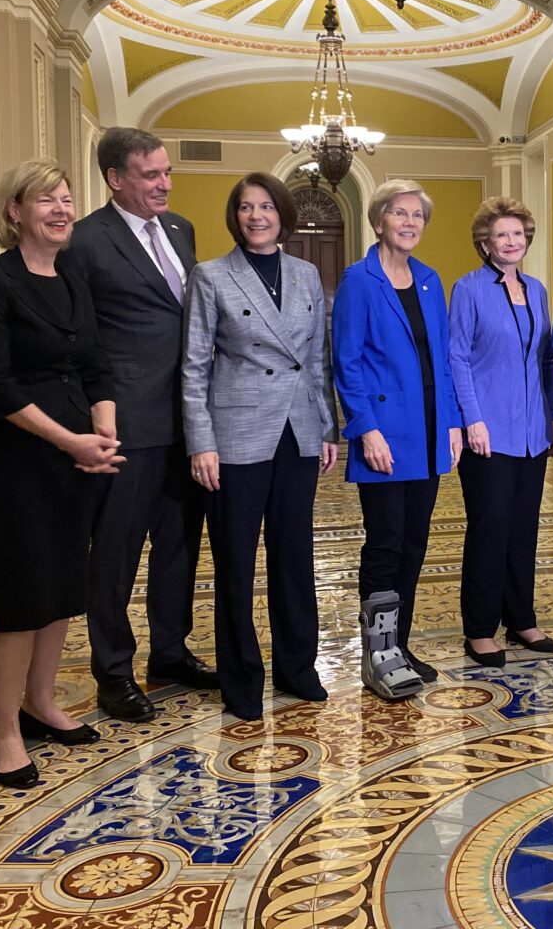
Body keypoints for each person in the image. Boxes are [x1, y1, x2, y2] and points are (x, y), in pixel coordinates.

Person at [0, 162, 123, 788]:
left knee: (62, 590)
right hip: (18, 463)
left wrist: (102, 432)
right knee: (20, 600)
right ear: (14, 212)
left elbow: (96, 367)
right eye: (45, 200)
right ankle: (5, 730)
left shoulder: (73, 277)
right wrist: (71, 440)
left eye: (66, 198)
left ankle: (42, 702)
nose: (61, 208)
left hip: (76, 458)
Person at [64, 127, 213, 725]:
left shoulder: (180, 230)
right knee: (117, 555)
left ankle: (171, 653)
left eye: (167, 172)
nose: (164, 183)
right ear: (115, 179)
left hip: (189, 422)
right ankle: (114, 671)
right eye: (150, 174)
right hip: (125, 424)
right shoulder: (85, 241)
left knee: (179, 547)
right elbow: (80, 338)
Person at [181, 174, 338, 719]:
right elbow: (194, 365)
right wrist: (201, 442)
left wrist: (325, 428)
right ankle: (241, 680)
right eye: (246, 207)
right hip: (235, 436)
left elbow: (317, 359)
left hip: (296, 432)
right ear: (235, 216)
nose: (256, 216)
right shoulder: (211, 276)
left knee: (295, 558)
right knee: (235, 563)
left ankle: (298, 669)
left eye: (266, 206)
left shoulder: (306, 273)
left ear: (282, 214)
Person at [333, 179, 462, 699]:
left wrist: (452, 422)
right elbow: (347, 363)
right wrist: (366, 430)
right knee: (384, 545)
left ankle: (400, 646)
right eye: (400, 214)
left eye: (418, 216)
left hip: (428, 432)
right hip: (385, 436)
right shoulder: (358, 281)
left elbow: (444, 362)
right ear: (379, 220)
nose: (410, 223)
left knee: (414, 544)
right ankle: (378, 655)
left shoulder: (429, 279)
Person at [449, 197, 553, 667]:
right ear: (485, 242)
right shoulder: (468, 289)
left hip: (534, 431)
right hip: (488, 433)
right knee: (489, 530)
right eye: (502, 235)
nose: (511, 242)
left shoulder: (536, 289)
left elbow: (545, 357)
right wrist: (471, 419)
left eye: (518, 234)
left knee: (523, 530)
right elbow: (457, 356)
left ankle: (521, 618)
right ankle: (479, 628)